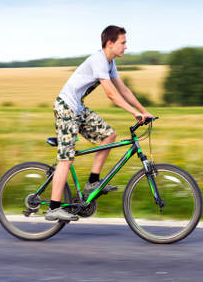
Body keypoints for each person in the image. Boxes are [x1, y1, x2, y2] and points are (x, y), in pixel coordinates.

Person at [45, 25, 153, 221]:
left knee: (109, 136)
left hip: (78, 108)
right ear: (110, 43)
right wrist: (134, 113)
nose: (126, 47)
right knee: (67, 158)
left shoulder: (110, 63)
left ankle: (92, 182)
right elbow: (111, 94)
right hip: (65, 108)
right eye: (123, 42)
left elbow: (124, 90)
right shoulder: (98, 60)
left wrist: (144, 111)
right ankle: (53, 208)